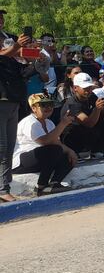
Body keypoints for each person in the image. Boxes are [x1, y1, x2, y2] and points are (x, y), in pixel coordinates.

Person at [13, 93, 77, 196]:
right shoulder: (29, 122)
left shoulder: (49, 123)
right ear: (34, 108)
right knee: (54, 149)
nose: (48, 108)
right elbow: (45, 141)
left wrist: (70, 151)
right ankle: (42, 186)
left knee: (68, 156)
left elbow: (56, 142)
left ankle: (54, 183)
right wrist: (63, 123)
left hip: (42, 159)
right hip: (22, 161)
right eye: (43, 105)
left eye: (50, 104)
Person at [0, 31, 34, 202]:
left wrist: (33, 57)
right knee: (2, 147)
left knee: (8, 148)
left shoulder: (11, 56)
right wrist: (17, 46)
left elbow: (24, 71)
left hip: (13, 100)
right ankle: (2, 189)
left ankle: (5, 187)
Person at [60, 73, 104, 160]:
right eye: (85, 88)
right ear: (75, 88)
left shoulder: (92, 96)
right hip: (72, 136)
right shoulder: (72, 103)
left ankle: (98, 151)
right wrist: (97, 109)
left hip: (86, 132)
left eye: (90, 87)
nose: (88, 90)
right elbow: (88, 123)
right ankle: (74, 152)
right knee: (76, 128)